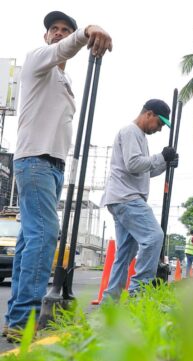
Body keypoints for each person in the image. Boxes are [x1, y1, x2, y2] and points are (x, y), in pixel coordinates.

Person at [4, 11, 112, 341]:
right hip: (34, 159)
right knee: (46, 234)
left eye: (66, 29)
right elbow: (62, 51)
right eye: (54, 29)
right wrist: (88, 30)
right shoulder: (38, 60)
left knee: (28, 242)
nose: (59, 33)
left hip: (53, 166)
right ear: (46, 36)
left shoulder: (65, 81)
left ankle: (16, 317)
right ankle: (25, 320)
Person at [100, 99, 178, 300]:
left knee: (125, 253)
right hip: (127, 198)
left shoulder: (140, 136)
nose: (159, 129)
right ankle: (139, 294)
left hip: (121, 198)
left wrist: (165, 163)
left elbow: (144, 172)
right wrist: (160, 157)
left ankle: (111, 301)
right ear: (149, 114)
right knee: (154, 237)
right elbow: (134, 164)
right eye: (159, 124)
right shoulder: (130, 132)